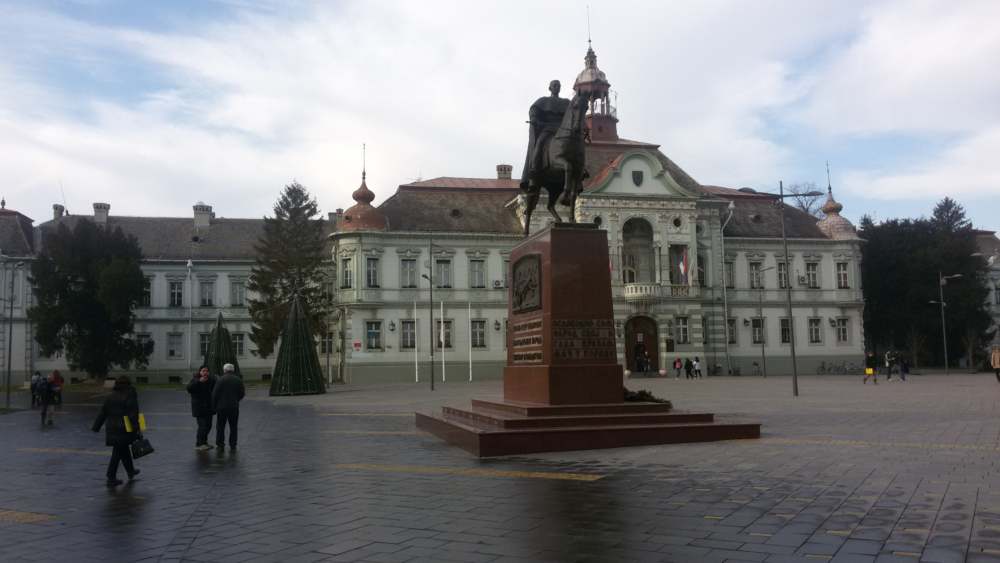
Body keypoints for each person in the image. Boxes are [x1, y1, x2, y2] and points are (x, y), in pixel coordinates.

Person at [520, 79, 570, 191]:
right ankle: (534, 172)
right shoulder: (543, 101)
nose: (557, 87)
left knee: (576, 144)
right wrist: (534, 119)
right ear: (550, 88)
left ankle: (581, 170)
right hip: (547, 128)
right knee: (539, 143)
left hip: (562, 130)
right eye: (554, 85)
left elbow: (574, 113)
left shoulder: (566, 102)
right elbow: (533, 109)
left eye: (558, 85)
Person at [91, 376, 140, 486]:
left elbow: (103, 412)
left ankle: (130, 470)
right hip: (125, 428)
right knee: (118, 452)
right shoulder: (130, 395)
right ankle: (111, 477)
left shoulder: (111, 396)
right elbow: (133, 414)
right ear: (128, 384)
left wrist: (96, 427)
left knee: (122, 449)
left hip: (112, 428)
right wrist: (137, 429)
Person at [212, 363, 245, 450]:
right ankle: (233, 444)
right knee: (233, 426)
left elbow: (215, 394)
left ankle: (220, 444)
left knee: (220, 427)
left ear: (224, 370)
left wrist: (214, 406)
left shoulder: (220, 380)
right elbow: (242, 393)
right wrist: (236, 400)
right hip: (234, 407)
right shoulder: (238, 380)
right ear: (233, 370)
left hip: (221, 407)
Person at [187, 365, 217, 451]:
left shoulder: (211, 380)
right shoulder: (195, 380)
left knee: (209, 426)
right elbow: (189, 388)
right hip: (199, 408)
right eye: (203, 371)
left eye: (207, 371)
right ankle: (199, 444)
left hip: (209, 408)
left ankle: (204, 442)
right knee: (202, 426)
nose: (205, 372)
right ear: (200, 372)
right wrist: (199, 382)